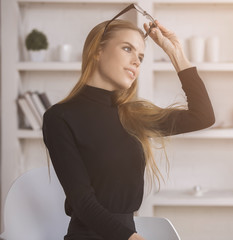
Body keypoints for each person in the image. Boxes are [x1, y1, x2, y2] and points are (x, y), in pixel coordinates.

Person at [42, 11, 215, 240]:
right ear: (97, 51)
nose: (136, 60)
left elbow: (203, 116)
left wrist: (175, 52)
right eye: (127, 49)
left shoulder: (132, 116)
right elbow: (82, 201)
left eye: (141, 57)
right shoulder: (60, 117)